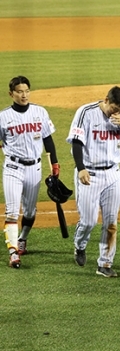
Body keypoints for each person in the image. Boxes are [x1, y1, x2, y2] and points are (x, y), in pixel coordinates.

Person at [67, 86, 120, 277]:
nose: (117, 112)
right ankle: (80, 245)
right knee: (88, 221)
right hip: (89, 173)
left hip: (113, 174)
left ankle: (105, 263)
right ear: (106, 100)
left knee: (111, 222)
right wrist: (80, 167)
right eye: (115, 108)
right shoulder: (86, 112)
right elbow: (76, 141)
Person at [1, 76, 60, 268]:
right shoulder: (3, 117)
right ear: (11, 94)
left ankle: (22, 239)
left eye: (26, 91)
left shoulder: (39, 112)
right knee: (11, 212)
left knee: (30, 211)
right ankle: (13, 252)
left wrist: (55, 164)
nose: (23, 95)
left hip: (35, 168)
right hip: (12, 168)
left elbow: (48, 140)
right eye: (19, 91)